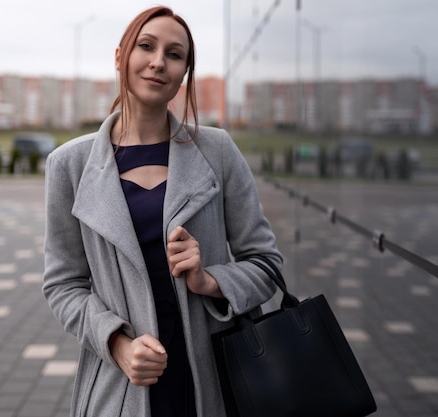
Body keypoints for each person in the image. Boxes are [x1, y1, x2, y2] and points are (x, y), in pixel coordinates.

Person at [42, 5, 282, 417]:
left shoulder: (218, 151)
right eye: (146, 46)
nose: (158, 62)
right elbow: (63, 285)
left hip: (215, 383)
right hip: (124, 386)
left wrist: (209, 280)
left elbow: (267, 265)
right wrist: (117, 345)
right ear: (120, 57)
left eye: (174, 54)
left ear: (184, 71)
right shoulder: (70, 166)